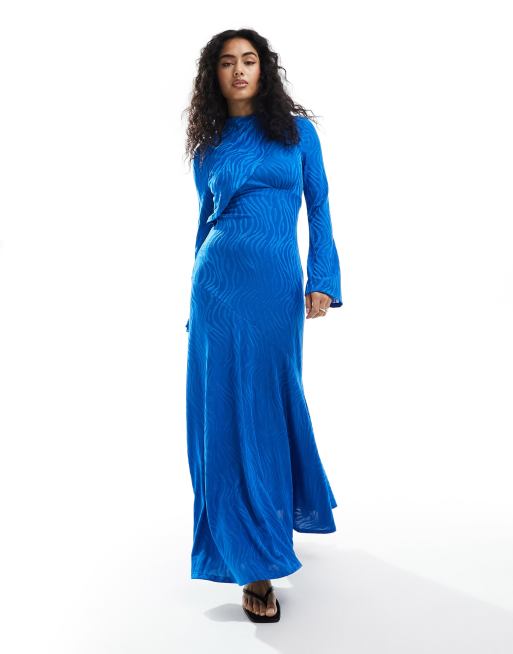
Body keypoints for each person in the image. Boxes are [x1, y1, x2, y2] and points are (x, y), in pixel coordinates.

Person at [183, 28, 343, 623]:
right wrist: (194, 310)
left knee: (272, 405)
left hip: (276, 289)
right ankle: (252, 562)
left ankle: (272, 521)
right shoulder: (209, 145)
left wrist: (323, 277)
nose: (239, 70)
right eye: (227, 63)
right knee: (226, 414)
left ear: (264, 69)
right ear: (214, 76)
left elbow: (319, 206)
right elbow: (206, 222)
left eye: (249, 60)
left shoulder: (298, 134)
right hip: (218, 290)